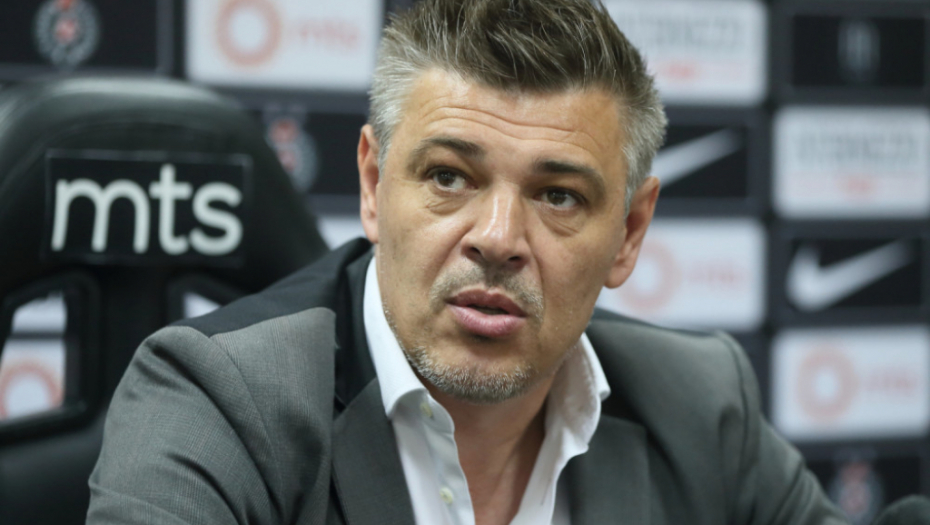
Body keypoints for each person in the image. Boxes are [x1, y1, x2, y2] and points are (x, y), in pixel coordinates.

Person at [87, 0, 847, 524]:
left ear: (629, 231)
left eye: (558, 195)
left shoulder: (702, 405)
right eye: (449, 177)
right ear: (374, 184)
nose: (498, 237)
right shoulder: (215, 401)